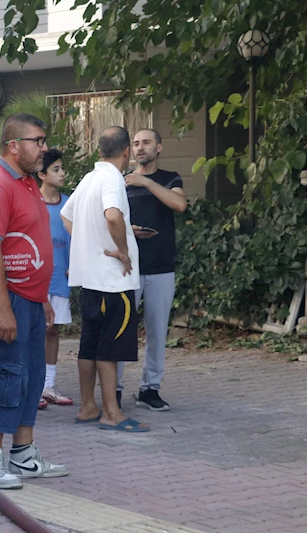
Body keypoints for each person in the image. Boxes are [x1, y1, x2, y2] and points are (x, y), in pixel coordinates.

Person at [0, 113, 69, 490]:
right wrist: (4, 309)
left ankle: (23, 455)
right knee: (6, 375)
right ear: (13, 145)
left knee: (32, 377)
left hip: (29, 298)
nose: (44, 148)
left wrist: (40, 299)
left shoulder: (26, 183)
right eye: (37, 141)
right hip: (0, 300)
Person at [60, 126, 149, 433]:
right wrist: (123, 251)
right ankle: (112, 413)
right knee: (109, 347)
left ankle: (88, 407)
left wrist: (90, 246)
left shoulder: (88, 178)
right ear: (126, 152)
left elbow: (66, 216)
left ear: (100, 150)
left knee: (90, 344)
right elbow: (112, 216)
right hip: (114, 281)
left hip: (90, 279)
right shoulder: (112, 178)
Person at [116, 129, 187, 411]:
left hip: (161, 268)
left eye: (145, 142)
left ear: (159, 147)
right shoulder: (120, 182)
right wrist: (127, 232)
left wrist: (145, 182)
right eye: (135, 143)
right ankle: (115, 389)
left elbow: (179, 203)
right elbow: (107, 220)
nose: (139, 147)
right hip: (127, 267)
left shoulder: (170, 178)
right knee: (122, 330)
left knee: (157, 332)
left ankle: (150, 389)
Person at [36, 148, 74, 408]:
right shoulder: (31, 202)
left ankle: (48, 385)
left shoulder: (69, 203)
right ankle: (34, 386)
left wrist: (75, 266)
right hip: (35, 279)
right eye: (56, 169)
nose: (62, 173)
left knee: (54, 330)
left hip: (60, 278)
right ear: (41, 174)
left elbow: (76, 238)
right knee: (35, 331)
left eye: (62, 168)